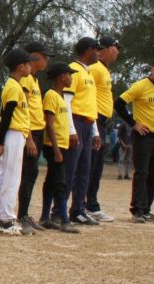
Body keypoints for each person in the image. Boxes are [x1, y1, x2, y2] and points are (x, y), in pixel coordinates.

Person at [114, 57, 154, 223]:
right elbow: (119, 104)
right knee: (142, 172)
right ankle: (137, 211)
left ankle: (147, 209)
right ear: (152, 68)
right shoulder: (140, 86)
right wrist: (133, 124)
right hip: (143, 135)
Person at [0, 48, 36, 234]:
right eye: (28, 64)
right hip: (14, 133)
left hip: (16, 133)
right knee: (12, 177)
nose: (30, 67)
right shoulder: (12, 86)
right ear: (20, 67)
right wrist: (1, 141)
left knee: (5, 175)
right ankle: (6, 218)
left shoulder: (16, 85)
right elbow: (7, 114)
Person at [64, 37, 104, 226]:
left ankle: (78, 209)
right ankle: (60, 210)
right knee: (70, 169)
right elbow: (66, 101)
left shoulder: (88, 73)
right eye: (97, 49)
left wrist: (95, 131)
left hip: (88, 123)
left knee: (84, 170)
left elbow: (91, 105)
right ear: (88, 50)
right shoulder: (74, 70)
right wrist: (71, 129)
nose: (99, 52)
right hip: (77, 122)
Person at [38, 63, 81, 233]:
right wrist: (56, 149)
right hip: (53, 146)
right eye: (69, 75)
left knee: (51, 182)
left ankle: (44, 218)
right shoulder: (51, 96)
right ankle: (64, 220)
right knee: (60, 183)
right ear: (62, 76)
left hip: (62, 144)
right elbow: (49, 124)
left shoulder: (61, 96)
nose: (71, 78)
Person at [16, 41, 53, 235]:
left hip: (38, 131)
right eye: (44, 56)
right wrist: (29, 137)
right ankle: (21, 215)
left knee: (32, 174)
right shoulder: (26, 78)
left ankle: (25, 213)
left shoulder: (35, 79)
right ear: (34, 56)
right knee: (27, 173)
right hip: (28, 132)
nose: (46, 61)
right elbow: (23, 108)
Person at [86, 36, 121, 222]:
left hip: (102, 122)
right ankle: (87, 205)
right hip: (94, 120)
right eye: (116, 47)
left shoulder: (104, 70)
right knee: (91, 164)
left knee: (97, 164)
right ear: (105, 49)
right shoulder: (95, 69)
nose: (118, 51)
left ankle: (91, 204)